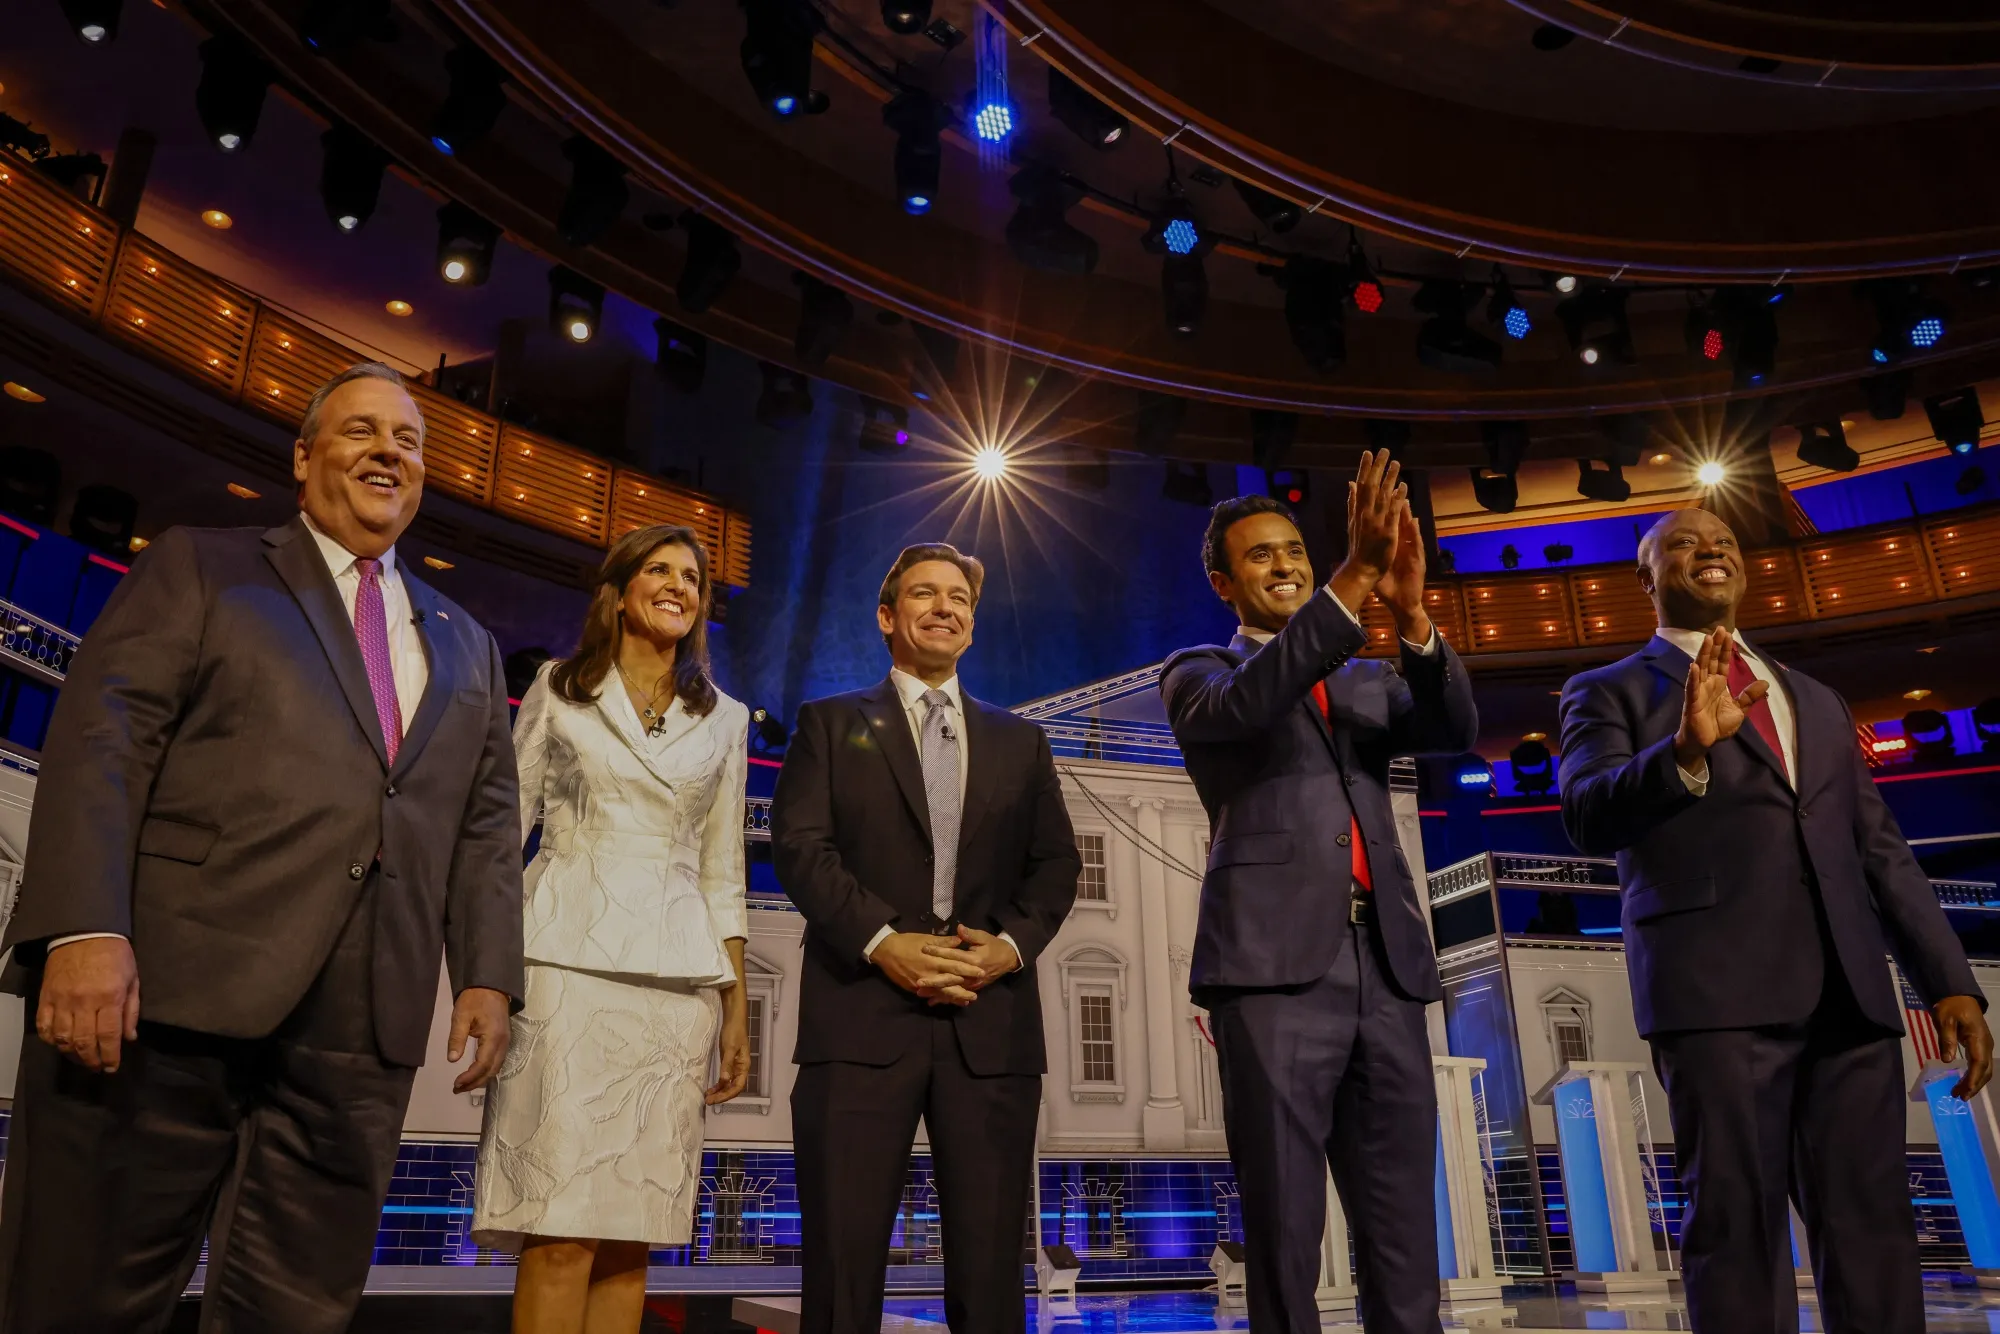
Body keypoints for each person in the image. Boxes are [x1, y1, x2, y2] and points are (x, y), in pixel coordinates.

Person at [0, 362, 523, 1332]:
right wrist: (81, 925)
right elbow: (103, 738)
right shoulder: (204, 562)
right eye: (361, 429)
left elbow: (487, 820)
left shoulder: (469, 642)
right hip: (168, 994)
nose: (388, 450)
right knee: (84, 1287)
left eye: (407, 440)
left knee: (296, 1306)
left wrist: (489, 970)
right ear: (304, 456)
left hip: (359, 1030)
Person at [1559, 506, 1993, 1334]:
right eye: (1682, 543)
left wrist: (1948, 981)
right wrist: (1685, 750)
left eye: (1723, 538)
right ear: (1644, 578)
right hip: (1715, 1002)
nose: (1711, 548)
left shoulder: (1817, 699)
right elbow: (1586, 813)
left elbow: (1880, 850)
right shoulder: (1608, 689)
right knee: (1737, 1229)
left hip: (1851, 998)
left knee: (1873, 1228)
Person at [1160, 455, 1477, 1334]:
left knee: (1404, 1229)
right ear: (1225, 583)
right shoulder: (1198, 673)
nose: (1287, 565)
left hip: (1387, 965)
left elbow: (1453, 729)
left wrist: (1409, 610)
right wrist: (1352, 580)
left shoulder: (1366, 677)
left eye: (1296, 549)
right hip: (1270, 975)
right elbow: (1253, 704)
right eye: (1261, 556)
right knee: (1287, 1227)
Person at [771, 542, 1079, 1334]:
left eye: (959, 599)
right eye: (924, 594)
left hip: (992, 1023)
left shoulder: (1022, 741)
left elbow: (1056, 866)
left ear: (971, 626)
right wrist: (885, 942)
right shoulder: (832, 724)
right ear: (887, 617)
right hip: (859, 1015)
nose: (945, 607)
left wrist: (1005, 948)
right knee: (842, 1268)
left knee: (991, 1272)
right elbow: (802, 847)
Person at [473, 524, 753, 1333]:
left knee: (635, 1236)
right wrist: (485, 973)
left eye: (693, 577)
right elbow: (503, 833)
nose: (679, 585)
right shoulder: (559, 688)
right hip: (564, 966)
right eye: (660, 571)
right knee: (559, 1227)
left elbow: (721, 868)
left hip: (675, 989)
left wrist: (734, 1006)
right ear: (620, 591)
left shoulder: (726, 718)